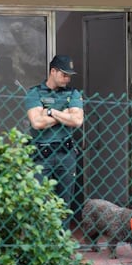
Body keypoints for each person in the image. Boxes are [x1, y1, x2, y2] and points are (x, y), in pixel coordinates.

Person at [25, 55, 84, 230]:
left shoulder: (73, 93)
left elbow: (77, 121)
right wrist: (63, 113)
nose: (68, 78)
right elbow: (37, 122)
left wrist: (50, 112)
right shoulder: (35, 93)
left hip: (65, 155)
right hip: (41, 156)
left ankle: (61, 245)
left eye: (69, 75)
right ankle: (40, 243)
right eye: (64, 74)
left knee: (64, 204)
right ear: (53, 71)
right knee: (39, 203)